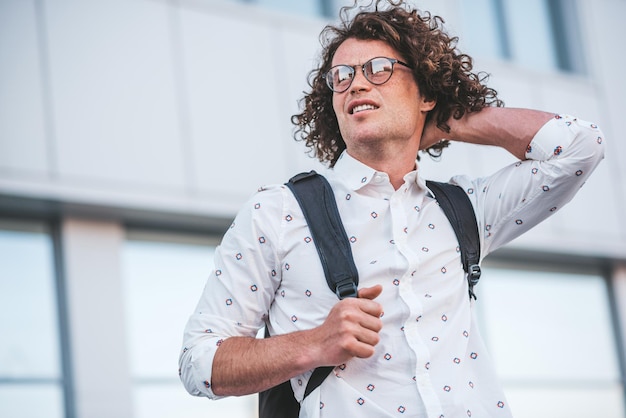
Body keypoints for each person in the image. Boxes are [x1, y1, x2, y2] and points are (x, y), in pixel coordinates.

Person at [179, 1, 605, 417]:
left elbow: (580, 147)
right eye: (341, 77)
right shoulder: (274, 212)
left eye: (379, 69)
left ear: (424, 90)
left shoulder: (466, 209)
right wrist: (313, 344)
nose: (356, 85)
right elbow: (198, 362)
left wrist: (449, 118)